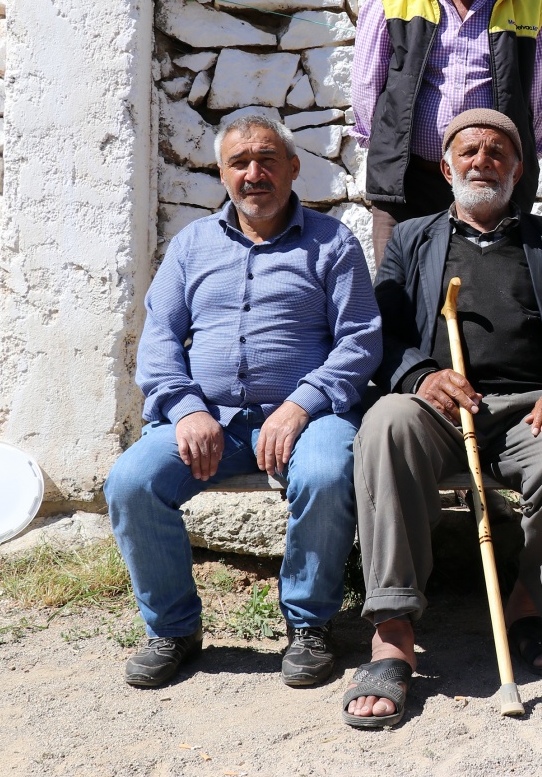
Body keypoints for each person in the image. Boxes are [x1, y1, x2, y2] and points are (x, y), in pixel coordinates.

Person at [344, 108, 542, 728]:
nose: (482, 161)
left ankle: (527, 608)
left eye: (498, 153)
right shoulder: (412, 239)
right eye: (469, 152)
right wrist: (419, 374)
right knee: (385, 424)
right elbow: (380, 330)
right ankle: (392, 630)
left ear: (519, 170)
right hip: (437, 405)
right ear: (446, 167)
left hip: (530, 407)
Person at [104, 115, 382, 689]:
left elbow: (361, 339)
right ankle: (173, 630)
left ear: (293, 168)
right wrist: (185, 409)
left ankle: (310, 625)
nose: (254, 174)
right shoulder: (192, 245)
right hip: (209, 422)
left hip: (309, 418)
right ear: (222, 174)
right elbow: (158, 338)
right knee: (132, 481)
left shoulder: (333, 243)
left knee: (330, 473)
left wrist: (302, 404)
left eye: (267, 160)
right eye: (239, 163)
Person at [351, 0, 542, 265]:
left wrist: (511, 163)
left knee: (489, 303)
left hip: (491, 188)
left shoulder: (528, 6)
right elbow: (366, 92)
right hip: (407, 188)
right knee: (402, 300)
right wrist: (393, 154)